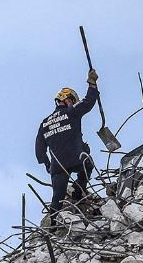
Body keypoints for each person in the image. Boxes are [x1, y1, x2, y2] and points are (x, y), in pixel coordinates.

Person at [35, 69, 100, 221]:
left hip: (57, 167)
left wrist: (47, 164)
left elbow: (39, 148)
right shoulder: (72, 112)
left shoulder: (45, 123)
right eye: (73, 100)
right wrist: (92, 84)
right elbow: (88, 102)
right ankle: (78, 192)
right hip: (76, 158)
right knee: (88, 164)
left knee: (57, 197)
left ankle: (52, 227)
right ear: (68, 100)